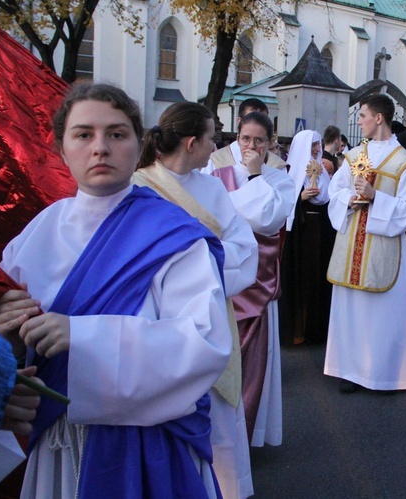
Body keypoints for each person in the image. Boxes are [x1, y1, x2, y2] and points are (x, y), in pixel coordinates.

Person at [0, 83, 231, 497]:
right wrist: (1, 346)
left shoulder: (174, 235)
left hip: (147, 445)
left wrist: (83, 338)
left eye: (117, 134)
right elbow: (12, 350)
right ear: (62, 149)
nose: (100, 147)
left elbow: (205, 343)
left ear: (139, 147)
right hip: (57, 442)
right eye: (83, 134)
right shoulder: (35, 236)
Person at [133, 101, 258, 498]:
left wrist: (200, 268)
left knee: (219, 420)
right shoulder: (138, 188)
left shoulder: (212, 187)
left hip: (211, 314)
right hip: (158, 324)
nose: (215, 145)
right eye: (211, 138)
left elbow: (245, 247)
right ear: (191, 143)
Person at [209, 111, 295, 447]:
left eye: (260, 140)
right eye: (246, 139)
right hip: (226, 285)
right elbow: (212, 217)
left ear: (271, 142)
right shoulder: (216, 173)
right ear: (237, 139)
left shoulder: (279, 178)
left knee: (253, 366)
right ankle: (219, 437)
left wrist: (256, 178)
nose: (252, 146)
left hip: (259, 286)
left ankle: (246, 435)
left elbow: (269, 220)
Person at [324, 93, 406, 393]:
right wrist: (350, 199)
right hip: (351, 241)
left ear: (379, 118)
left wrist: (376, 197)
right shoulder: (353, 157)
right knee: (350, 310)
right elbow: (333, 192)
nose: (360, 121)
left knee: (382, 314)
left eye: (363, 115)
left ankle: (383, 374)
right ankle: (350, 371)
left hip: (383, 247)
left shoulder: (403, 162)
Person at [279, 130, 334, 346]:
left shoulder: (323, 171)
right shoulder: (291, 171)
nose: (316, 148)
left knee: (318, 276)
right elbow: (285, 204)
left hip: (320, 230)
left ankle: (316, 328)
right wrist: (300, 198)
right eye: (312, 145)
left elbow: (329, 199)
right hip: (301, 233)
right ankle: (298, 329)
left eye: (318, 144)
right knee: (301, 278)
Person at [205, 98, 287, 173]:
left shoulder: (277, 165)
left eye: (263, 120)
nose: (251, 146)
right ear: (239, 121)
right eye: (246, 138)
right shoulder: (217, 160)